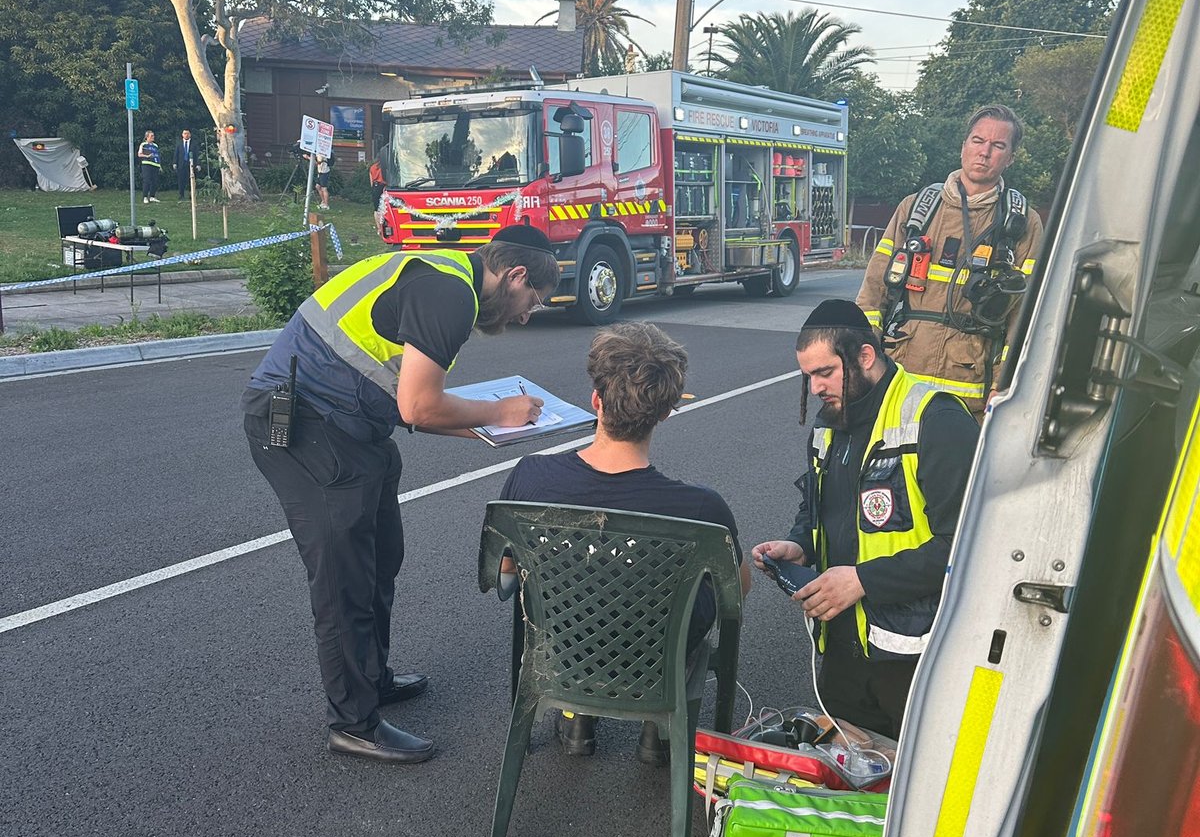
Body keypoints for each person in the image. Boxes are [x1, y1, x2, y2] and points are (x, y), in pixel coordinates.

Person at [241, 225, 559, 765]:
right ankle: (353, 722)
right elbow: (418, 407)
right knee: (343, 577)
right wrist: (498, 413)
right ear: (516, 274)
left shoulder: (445, 273)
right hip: (306, 425)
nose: (528, 314)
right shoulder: (451, 294)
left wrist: (491, 428)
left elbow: (411, 400)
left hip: (352, 426)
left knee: (381, 557)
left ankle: (372, 679)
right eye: (533, 300)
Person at [496, 322, 751, 762]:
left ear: (596, 400)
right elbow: (736, 593)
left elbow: (503, 576)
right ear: (667, 411)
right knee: (698, 593)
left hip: (566, 650)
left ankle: (576, 714)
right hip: (654, 662)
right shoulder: (702, 508)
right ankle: (659, 727)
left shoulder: (530, 475)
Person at [752, 300, 977, 741]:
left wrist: (863, 580)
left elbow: (966, 547)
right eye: (808, 376)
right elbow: (823, 509)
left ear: (864, 357)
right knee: (850, 785)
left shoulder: (936, 419)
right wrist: (800, 545)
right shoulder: (831, 423)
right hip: (843, 652)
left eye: (823, 373)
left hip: (914, 657)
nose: (814, 387)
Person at [856, 104, 1044, 418]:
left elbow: (1024, 315)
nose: (984, 152)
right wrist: (864, 361)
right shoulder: (915, 209)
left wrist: (1005, 383)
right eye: (977, 141)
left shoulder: (1022, 223)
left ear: (1010, 157)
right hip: (903, 374)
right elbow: (873, 292)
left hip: (970, 387)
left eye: (998, 146)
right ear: (963, 146)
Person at [137, 130, 161, 203]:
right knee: (147, 180)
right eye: (151, 136)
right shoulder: (143, 144)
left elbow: (157, 155)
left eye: (153, 136)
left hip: (155, 165)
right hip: (146, 164)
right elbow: (139, 154)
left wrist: (159, 165)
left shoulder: (155, 145)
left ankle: (152, 196)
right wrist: (147, 156)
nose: (153, 137)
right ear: (147, 137)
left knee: (155, 181)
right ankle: (145, 197)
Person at [174, 129, 196, 200]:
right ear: (182, 135)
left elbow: (196, 154)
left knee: (191, 180)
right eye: (185, 133)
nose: (186, 135)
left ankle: (191, 194)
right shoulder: (179, 143)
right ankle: (181, 195)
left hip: (191, 164)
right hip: (181, 164)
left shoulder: (194, 143)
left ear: (190, 135)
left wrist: (198, 164)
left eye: (187, 133)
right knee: (181, 180)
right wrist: (174, 163)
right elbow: (176, 154)